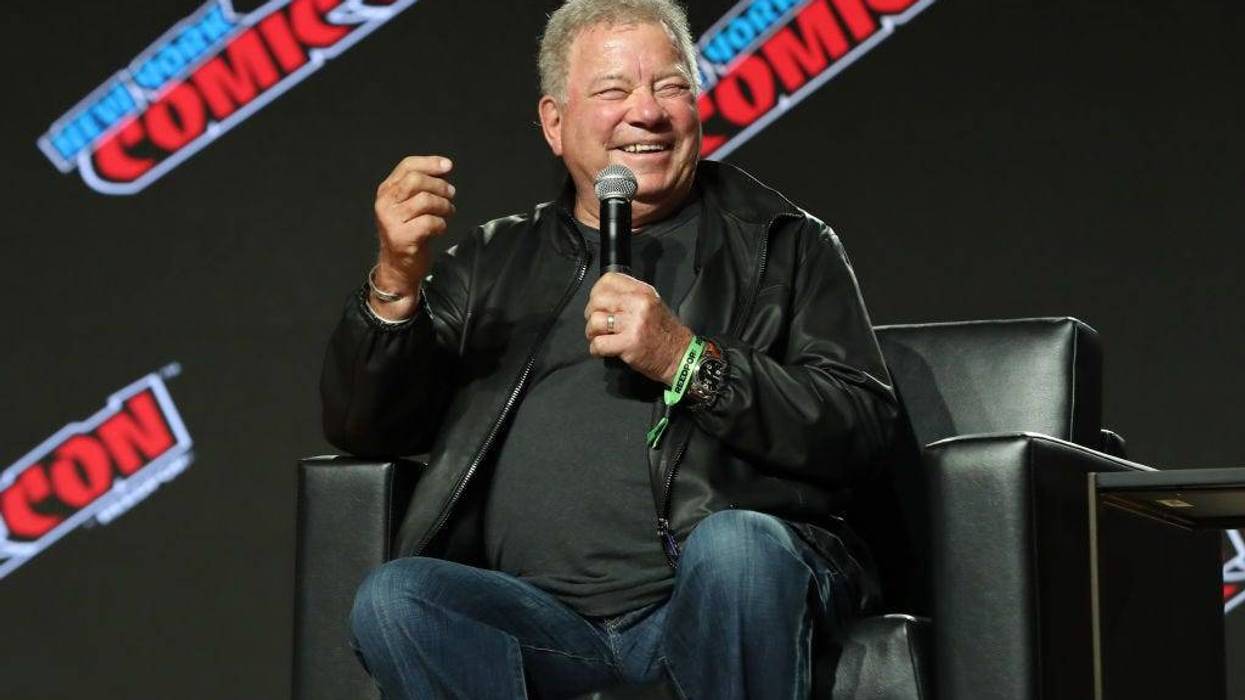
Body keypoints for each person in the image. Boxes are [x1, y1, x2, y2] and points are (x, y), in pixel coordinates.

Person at [321, 0, 900, 697]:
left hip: (707, 598)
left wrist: (687, 361)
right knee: (399, 599)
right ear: (554, 124)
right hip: (540, 618)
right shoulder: (492, 262)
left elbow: (861, 426)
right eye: (612, 90)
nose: (647, 113)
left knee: (735, 550)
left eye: (670, 86)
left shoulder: (783, 241)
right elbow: (366, 426)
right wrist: (395, 279)